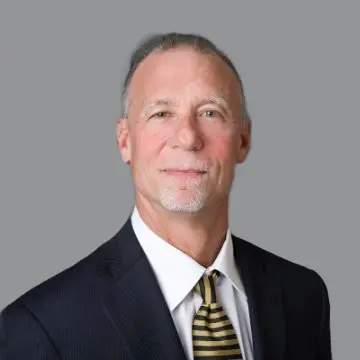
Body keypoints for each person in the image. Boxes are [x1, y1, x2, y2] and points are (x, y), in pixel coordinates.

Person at [0, 32, 332, 360]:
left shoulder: (303, 296)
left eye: (210, 112)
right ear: (125, 141)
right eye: (161, 113)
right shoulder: (41, 328)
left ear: (243, 140)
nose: (187, 137)